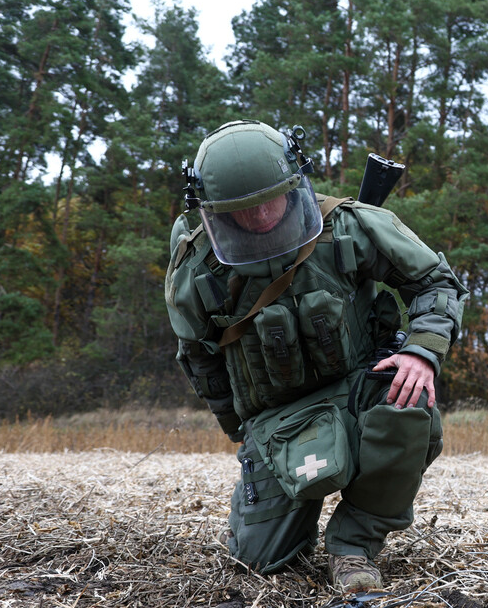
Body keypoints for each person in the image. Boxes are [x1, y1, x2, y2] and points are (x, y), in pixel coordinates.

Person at [164, 120, 466, 594]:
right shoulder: (197, 271)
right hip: (277, 418)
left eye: (272, 198)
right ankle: (272, 513)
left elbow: (436, 281)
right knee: (263, 563)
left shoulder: (347, 224)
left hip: (359, 389)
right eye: (244, 210)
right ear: (214, 213)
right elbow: (199, 359)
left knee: (408, 404)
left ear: (294, 182)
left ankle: (353, 546)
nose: (262, 215)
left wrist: (422, 352)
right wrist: (240, 434)